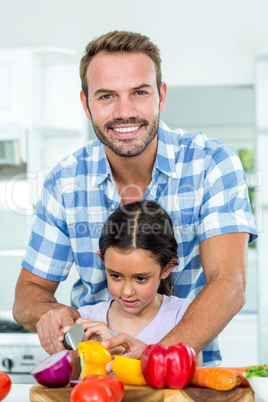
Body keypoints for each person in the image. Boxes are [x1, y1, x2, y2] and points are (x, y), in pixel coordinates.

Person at [12, 30, 257, 367]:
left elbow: (229, 284)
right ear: (86, 104)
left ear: (161, 96)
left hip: (187, 381)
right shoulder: (64, 181)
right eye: (107, 96)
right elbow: (28, 293)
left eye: (139, 92)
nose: (124, 112)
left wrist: (154, 359)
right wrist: (52, 313)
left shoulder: (212, 164)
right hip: (96, 380)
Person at [71, 200, 202, 377]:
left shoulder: (185, 317)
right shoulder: (87, 320)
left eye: (140, 278)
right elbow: (67, 385)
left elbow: (192, 383)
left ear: (167, 268)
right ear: (103, 262)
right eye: (115, 276)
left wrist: (123, 354)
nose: (126, 291)